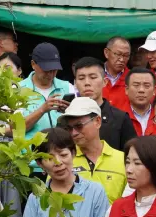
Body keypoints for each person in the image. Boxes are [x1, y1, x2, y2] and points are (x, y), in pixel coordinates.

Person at [22, 127, 109, 217]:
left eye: (63, 155)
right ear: (40, 163)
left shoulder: (95, 192)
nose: (58, 162)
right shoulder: (36, 198)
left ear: (73, 153)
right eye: (49, 158)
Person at [19, 42, 76, 178]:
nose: (51, 74)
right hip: (31, 166)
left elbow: (77, 125)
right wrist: (42, 110)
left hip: (63, 165)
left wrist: (69, 113)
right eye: (46, 69)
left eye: (54, 70)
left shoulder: (67, 87)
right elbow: (17, 129)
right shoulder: (18, 90)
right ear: (33, 64)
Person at [60, 97, 126, 204]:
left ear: (97, 121)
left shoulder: (123, 160)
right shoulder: (62, 161)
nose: (73, 133)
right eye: (69, 128)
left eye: (79, 126)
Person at [71, 57, 137, 151]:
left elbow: (131, 154)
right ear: (75, 83)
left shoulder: (120, 118)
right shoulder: (67, 118)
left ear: (104, 82)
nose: (87, 83)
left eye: (93, 77)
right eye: (81, 78)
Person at [120, 67, 156, 136]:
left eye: (146, 86)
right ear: (126, 89)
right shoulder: (117, 116)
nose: (141, 90)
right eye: (136, 85)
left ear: (154, 90)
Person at [103, 37, 131, 110]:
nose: (122, 59)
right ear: (106, 53)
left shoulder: (133, 78)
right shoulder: (94, 76)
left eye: (126, 55)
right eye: (118, 54)